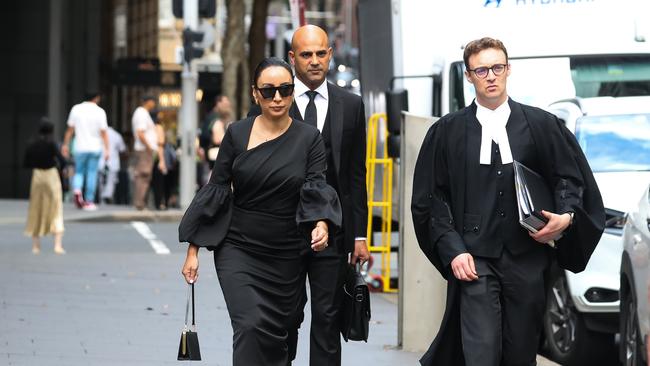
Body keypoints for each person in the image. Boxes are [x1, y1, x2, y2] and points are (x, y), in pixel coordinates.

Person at [410, 37, 606, 366]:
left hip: (527, 259)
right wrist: (452, 248)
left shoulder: (541, 125)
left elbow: (569, 180)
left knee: (520, 355)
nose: (491, 76)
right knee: (481, 353)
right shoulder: (448, 132)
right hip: (474, 261)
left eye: (497, 67)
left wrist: (566, 218)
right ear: (469, 76)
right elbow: (432, 198)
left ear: (508, 70)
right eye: (481, 69)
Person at [179, 57, 342, 366]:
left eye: (284, 89)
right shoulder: (236, 134)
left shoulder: (309, 138)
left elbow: (316, 186)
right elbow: (216, 189)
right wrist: (193, 249)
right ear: (255, 94)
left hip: (286, 253)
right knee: (250, 326)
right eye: (268, 91)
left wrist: (321, 223)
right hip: (238, 249)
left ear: (293, 92)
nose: (277, 98)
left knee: (279, 334)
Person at [287, 24, 369, 365]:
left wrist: (360, 236)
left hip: (333, 233)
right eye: (306, 54)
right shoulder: (273, 98)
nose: (315, 61)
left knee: (327, 318)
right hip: (284, 231)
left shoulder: (350, 105)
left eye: (321, 53)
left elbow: (355, 175)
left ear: (330, 54)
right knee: (285, 318)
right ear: (293, 58)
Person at [24, 117, 67, 254]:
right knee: (55, 207)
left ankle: (36, 246)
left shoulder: (31, 144)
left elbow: (26, 163)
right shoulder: (52, 144)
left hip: (37, 176)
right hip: (51, 175)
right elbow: (62, 161)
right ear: (51, 130)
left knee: (36, 207)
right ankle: (57, 245)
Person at [62, 91, 109, 211]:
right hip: (95, 147)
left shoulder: (76, 109)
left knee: (79, 172)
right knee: (92, 173)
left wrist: (65, 145)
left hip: (80, 147)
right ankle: (88, 200)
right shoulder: (100, 111)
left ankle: (77, 191)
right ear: (96, 98)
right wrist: (107, 149)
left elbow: (70, 130)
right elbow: (103, 132)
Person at [131, 95, 158, 210]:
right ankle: (139, 203)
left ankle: (140, 202)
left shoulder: (142, 113)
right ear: (148, 101)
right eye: (153, 101)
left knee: (144, 176)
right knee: (143, 175)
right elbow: (140, 133)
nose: (154, 104)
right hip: (144, 149)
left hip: (144, 149)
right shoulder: (141, 113)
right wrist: (149, 147)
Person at [200, 95, 233, 170]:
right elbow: (217, 139)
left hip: (212, 157)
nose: (228, 107)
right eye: (225, 104)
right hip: (214, 157)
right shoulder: (214, 119)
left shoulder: (215, 117)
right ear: (218, 103)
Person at [98, 126, 126, 204]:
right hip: (112, 161)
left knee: (101, 181)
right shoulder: (117, 135)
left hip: (101, 161)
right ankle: (108, 196)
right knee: (111, 181)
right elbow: (122, 149)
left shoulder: (98, 134)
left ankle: (103, 198)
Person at [150, 110, 169, 210]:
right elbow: (160, 145)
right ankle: (159, 203)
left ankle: (148, 203)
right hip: (157, 157)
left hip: (148, 156)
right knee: (159, 182)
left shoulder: (148, 127)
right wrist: (162, 161)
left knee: (149, 181)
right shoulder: (158, 127)